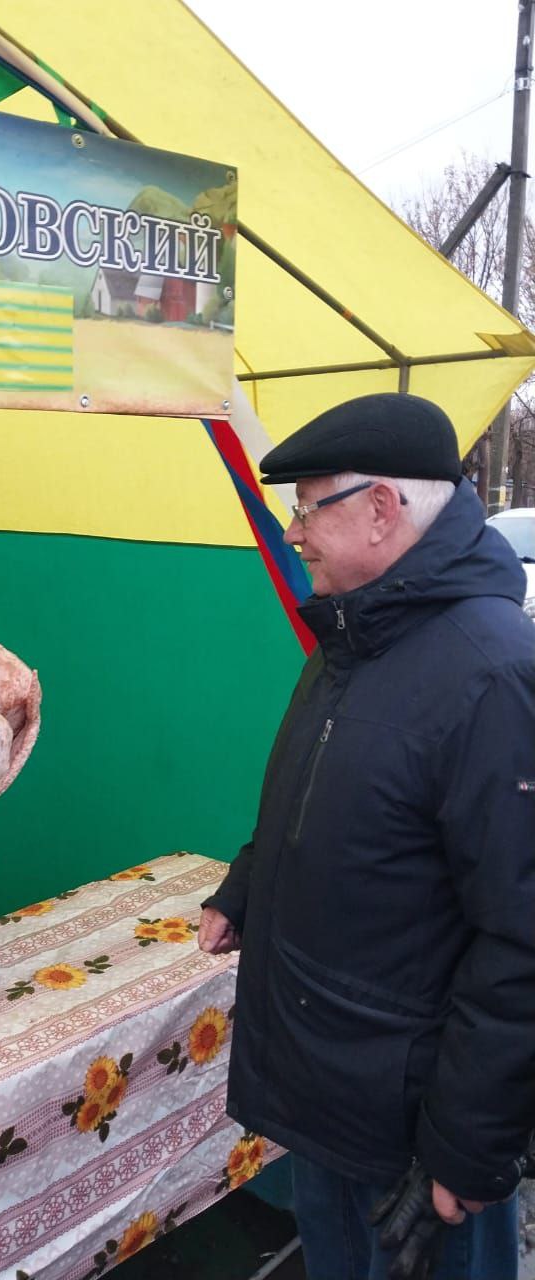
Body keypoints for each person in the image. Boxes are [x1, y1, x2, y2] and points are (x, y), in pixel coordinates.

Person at [197, 393, 535, 1280]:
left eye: (308, 508)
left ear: (381, 509)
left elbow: (524, 933)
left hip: (415, 1127)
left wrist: (469, 1142)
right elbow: (326, 799)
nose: (295, 532)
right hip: (331, 1089)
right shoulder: (354, 633)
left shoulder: (492, 672)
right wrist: (250, 882)